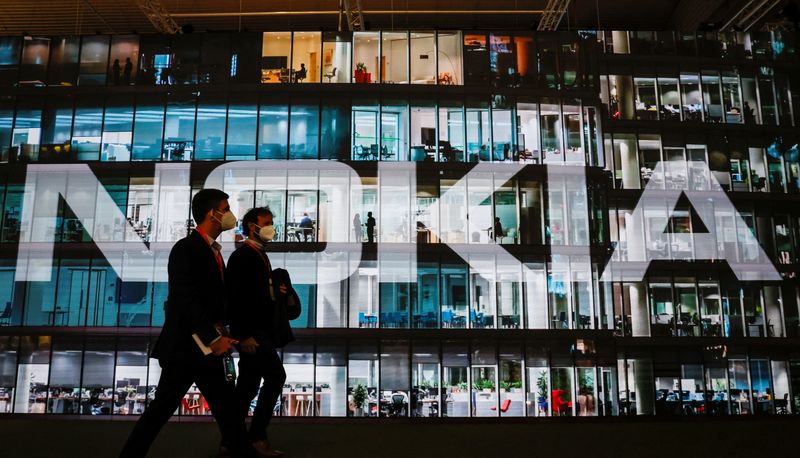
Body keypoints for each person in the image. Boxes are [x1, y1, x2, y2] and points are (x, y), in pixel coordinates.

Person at [119, 189, 253, 458]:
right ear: (212, 214)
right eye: (225, 209)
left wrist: (225, 331)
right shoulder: (186, 249)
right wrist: (213, 338)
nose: (230, 215)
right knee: (161, 411)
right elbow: (184, 299)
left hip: (206, 349)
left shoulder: (214, 251)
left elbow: (214, 302)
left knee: (228, 412)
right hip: (185, 350)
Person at [228, 207, 287, 457]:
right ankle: (257, 437)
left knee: (247, 387)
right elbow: (236, 299)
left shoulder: (258, 255)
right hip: (253, 332)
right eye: (267, 223)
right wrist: (242, 336)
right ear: (252, 226)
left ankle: (230, 441)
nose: (271, 228)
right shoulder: (244, 256)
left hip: (256, 330)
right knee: (275, 377)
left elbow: (255, 296)